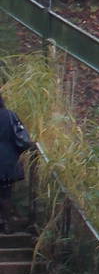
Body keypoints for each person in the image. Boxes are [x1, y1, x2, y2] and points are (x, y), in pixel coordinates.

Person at [0, 92, 37, 234]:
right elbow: (22, 138)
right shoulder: (10, 115)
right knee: (6, 193)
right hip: (8, 160)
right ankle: (7, 224)